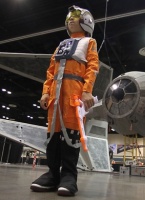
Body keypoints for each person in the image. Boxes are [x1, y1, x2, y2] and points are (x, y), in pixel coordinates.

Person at [30, 5, 99, 197]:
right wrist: (45, 92)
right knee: (52, 136)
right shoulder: (62, 44)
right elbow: (51, 70)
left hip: (74, 94)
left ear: (86, 21)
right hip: (55, 95)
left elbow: (93, 67)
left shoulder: (89, 42)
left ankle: (69, 176)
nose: (71, 19)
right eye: (69, 17)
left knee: (71, 135)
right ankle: (53, 174)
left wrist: (87, 92)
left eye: (76, 17)